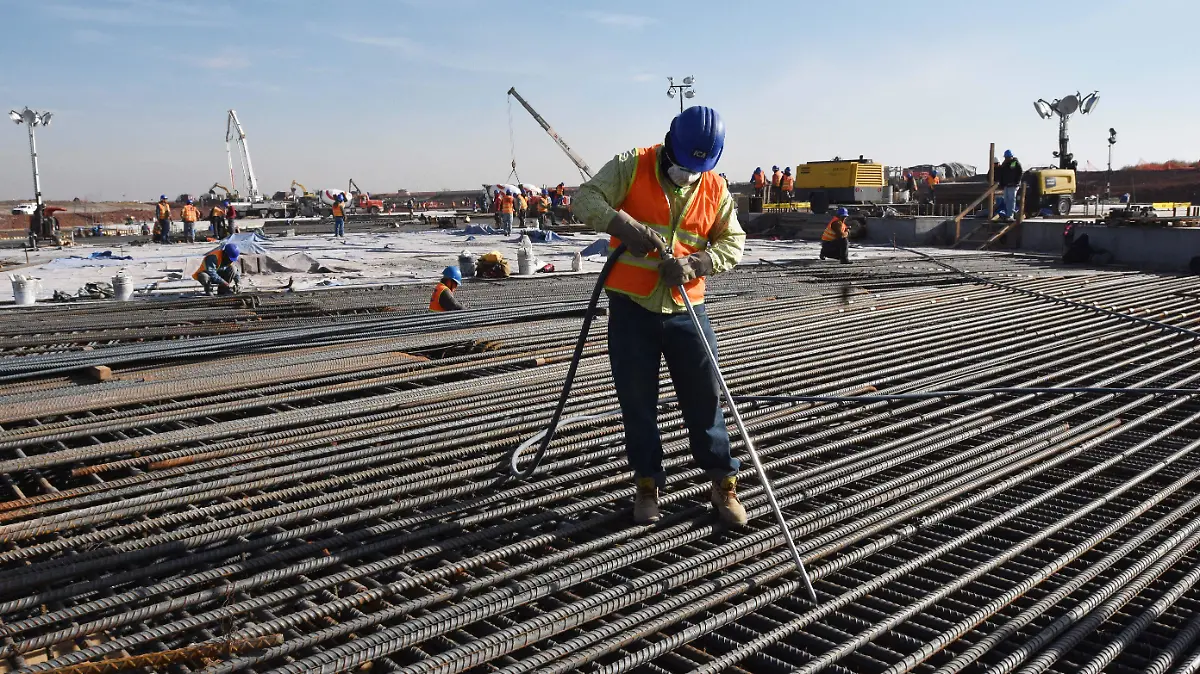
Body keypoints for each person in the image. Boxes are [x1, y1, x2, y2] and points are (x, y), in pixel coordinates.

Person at [573, 105, 748, 526]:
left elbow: (734, 242)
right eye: (682, 164)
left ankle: (723, 484)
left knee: (706, 398)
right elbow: (584, 199)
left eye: (696, 168)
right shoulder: (632, 165)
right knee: (637, 402)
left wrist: (698, 264)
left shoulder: (714, 188)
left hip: (688, 310)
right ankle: (647, 483)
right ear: (669, 144)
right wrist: (621, 223)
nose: (687, 174)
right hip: (633, 311)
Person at [997, 150, 1023, 222]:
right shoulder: (1005, 164)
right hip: (1006, 185)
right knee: (1006, 199)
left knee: (1011, 200)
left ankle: (1010, 215)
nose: (1006, 158)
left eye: (1007, 157)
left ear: (1011, 156)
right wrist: (1002, 184)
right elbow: (1002, 174)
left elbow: (1020, 173)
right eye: (1005, 157)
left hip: (1013, 185)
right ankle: (1008, 213)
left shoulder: (1015, 163)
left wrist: (1016, 182)